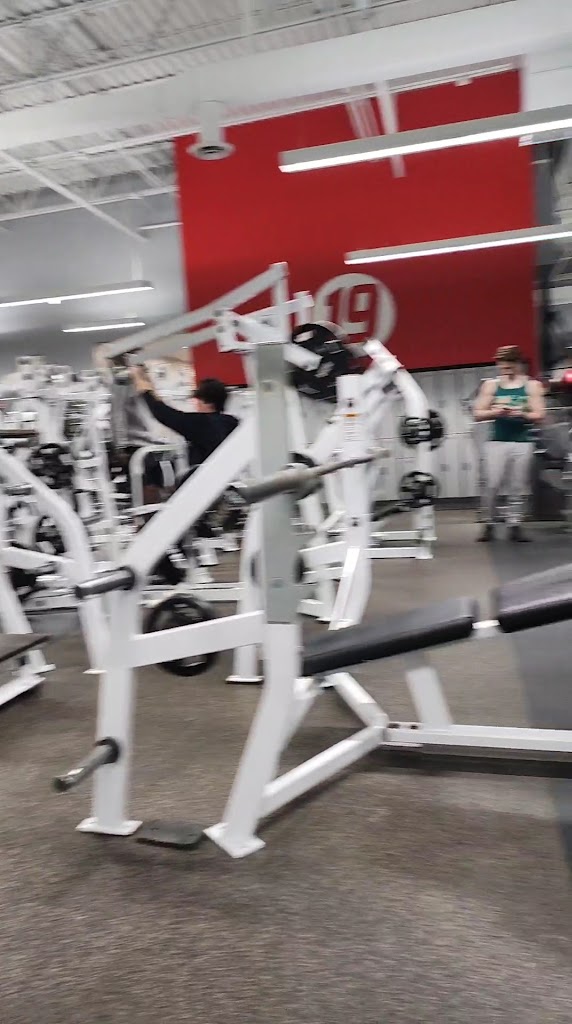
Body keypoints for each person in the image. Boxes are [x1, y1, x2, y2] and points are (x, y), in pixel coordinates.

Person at [473, 345, 545, 542]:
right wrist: (496, 412)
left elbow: (539, 414)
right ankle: (489, 523)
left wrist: (522, 413)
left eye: (510, 366)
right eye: (503, 366)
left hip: (522, 441)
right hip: (497, 441)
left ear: (518, 364)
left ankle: (514, 524)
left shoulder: (531, 386)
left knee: (518, 485)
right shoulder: (491, 385)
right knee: (492, 484)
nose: (506, 370)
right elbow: (477, 413)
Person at [130, 366, 238, 466]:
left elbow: (163, 413)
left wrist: (142, 385)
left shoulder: (202, 423)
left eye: (198, 400)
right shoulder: (232, 422)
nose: (196, 404)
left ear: (206, 402)